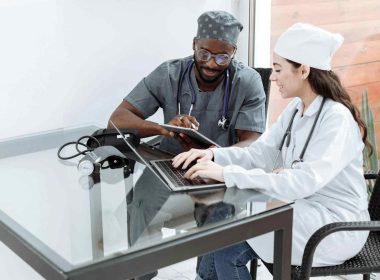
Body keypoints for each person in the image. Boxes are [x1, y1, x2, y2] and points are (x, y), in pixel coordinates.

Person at [172, 22, 371, 279]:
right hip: (302, 210)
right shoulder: (296, 110)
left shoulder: (336, 119)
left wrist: (227, 174)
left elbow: (302, 183)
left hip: (334, 227)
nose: (272, 77)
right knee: (218, 223)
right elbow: (260, 154)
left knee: (226, 245)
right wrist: (213, 155)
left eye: (278, 69)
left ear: (303, 70)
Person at [108, 10, 266, 154]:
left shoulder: (247, 81)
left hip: (219, 171)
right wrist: (164, 129)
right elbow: (116, 120)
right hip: (170, 161)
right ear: (194, 44)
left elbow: (252, 142)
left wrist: (212, 156)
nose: (211, 64)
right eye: (204, 53)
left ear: (234, 52)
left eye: (222, 57)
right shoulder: (169, 74)